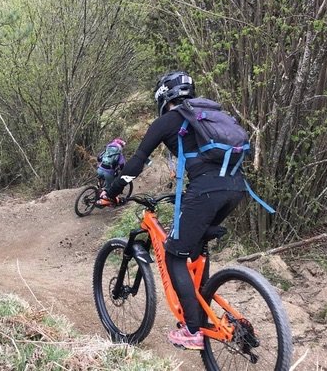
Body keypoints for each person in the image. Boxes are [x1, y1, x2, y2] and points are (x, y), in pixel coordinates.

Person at [99, 71, 247, 350]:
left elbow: (136, 164)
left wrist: (112, 191)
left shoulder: (167, 121)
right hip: (236, 188)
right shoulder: (207, 115)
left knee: (174, 255)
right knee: (195, 248)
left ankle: (193, 330)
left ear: (162, 97)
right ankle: (200, 315)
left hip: (204, 192)